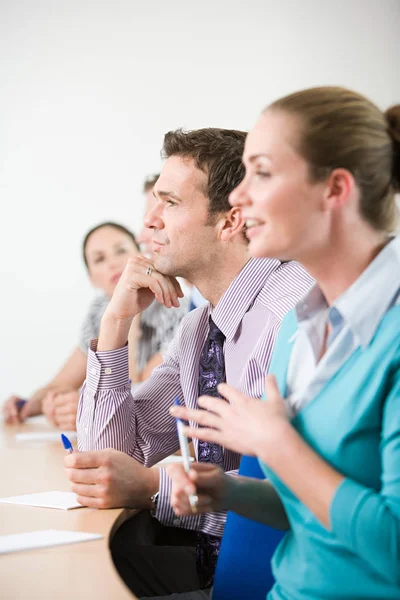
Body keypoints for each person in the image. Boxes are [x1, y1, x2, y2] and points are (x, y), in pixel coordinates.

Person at [169, 88, 400, 600]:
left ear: (334, 190)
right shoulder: (301, 322)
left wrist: (276, 444)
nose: (237, 197)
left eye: (263, 173)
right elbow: (319, 506)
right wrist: (230, 492)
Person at [64, 127, 313, 598]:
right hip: (212, 566)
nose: (148, 223)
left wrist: (154, 487)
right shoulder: (201, 327)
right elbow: (114, 457)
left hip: (280, 575)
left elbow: (292, 490)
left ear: (230, 221)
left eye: (169, 203)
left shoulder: (293, 311)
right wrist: (116, 324)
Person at [3, 218, 188, 430]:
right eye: (99, 259)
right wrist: (32, 404)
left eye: (121, 251)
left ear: (141, 256)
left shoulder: (173, 304)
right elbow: (61, 383)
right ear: (92, 279)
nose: (113, 263)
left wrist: (130, 317)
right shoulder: (99, 310)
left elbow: (142, 397)